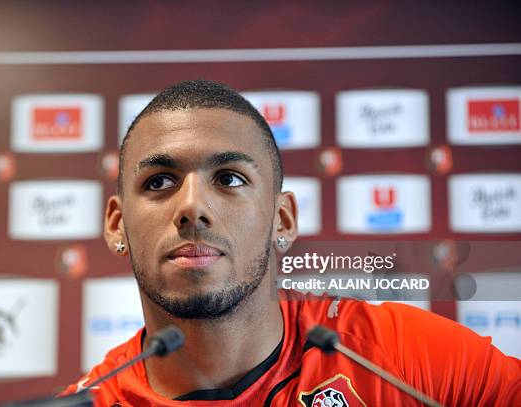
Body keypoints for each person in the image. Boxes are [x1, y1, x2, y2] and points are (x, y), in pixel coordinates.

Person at [60, 79, 520, 406]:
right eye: (160, 182)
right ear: (117, 225)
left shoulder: (401, 356)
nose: (192, 207)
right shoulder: (89, 402)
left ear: (282, 219)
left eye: (229, 178)